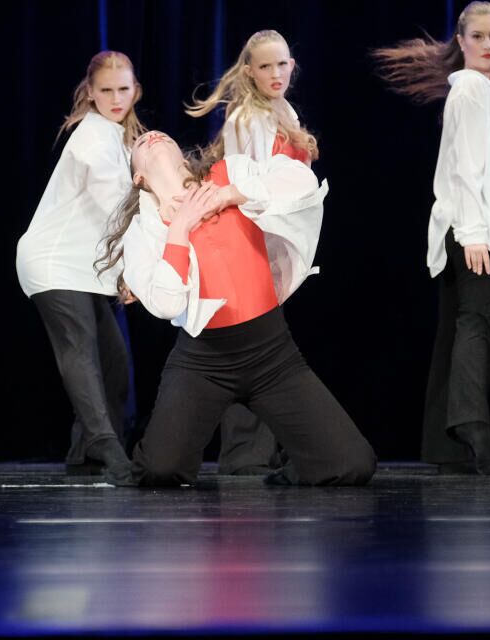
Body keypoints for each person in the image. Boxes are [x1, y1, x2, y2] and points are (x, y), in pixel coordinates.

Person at [96, 130, 375, 487]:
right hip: (203, 361)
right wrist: (179, 227)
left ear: (182, 153)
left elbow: (302, 181)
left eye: (159, 134)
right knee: (160, 470)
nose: (150, 136)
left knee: (354, 464)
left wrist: (228, 194)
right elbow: (167, 304)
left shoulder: (229, 172)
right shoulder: (143, 230)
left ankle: (298, 466)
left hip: (272, 353)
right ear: (138, 176)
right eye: (140, 143)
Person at [373, 1, 490, 475]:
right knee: (478, 322)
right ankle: (470, 426)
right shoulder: (468, 89)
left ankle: (445, 446)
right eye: (478, 36)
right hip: (476, 221)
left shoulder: (489, 92)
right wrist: (473, 232)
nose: (488, 44)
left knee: (458, 327)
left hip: (485, 216)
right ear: (461, 41)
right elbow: (465, 167)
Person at [183, 30, 319, 474]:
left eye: (282, 64)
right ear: (249, 72)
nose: (276, 73)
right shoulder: (247, 117)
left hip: (276, 237)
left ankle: (265, 451)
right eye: (265, 66)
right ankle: (245, 456)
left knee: (267, 347)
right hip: (251, 238)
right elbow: (245, 183)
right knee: (251, 342)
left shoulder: (284, 111)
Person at [15, 50, 146, 479]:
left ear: (136, 90)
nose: (115, 99)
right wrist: (134, 268)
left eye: (123, 89)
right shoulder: (93, 137)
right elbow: (116, 210)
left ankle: (85, 453)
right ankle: (109, 451)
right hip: (54, 261)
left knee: (114, 362)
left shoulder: (115, 136)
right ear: (90, 92)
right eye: (106, 90)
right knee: (81, 351)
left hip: (85, 268)